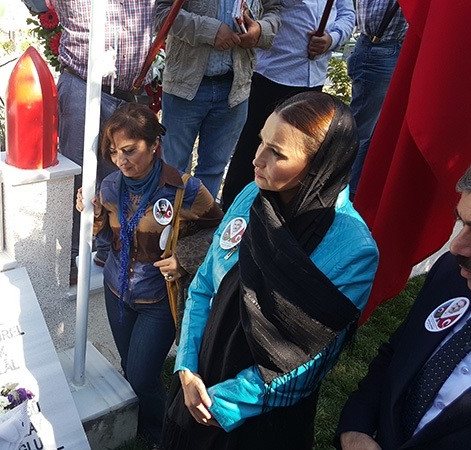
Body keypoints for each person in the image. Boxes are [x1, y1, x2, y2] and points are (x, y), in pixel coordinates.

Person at [162, 91, 378, 449]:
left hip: (261, 417)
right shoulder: (252, 196)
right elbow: (204, 286)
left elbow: (309, 360)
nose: (256, 159)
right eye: (262, 140)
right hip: (200, 380)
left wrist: (221, 403)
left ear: (320, 165)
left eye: (277, 153)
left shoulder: (353, 250)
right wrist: (187, 366)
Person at [76, 103, 223, 445]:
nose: (120, 160)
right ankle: (141, 422)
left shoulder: (184, 189)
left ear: (154, 144)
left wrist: (183, 258)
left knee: (142, 377)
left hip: (158, 300)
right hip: (116, 292)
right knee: (131, 367)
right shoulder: (110, 186)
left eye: (129, 151)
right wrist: (93, 214)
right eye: (114, 152)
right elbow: (104, 238)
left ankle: (165, 433)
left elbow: (222, 231)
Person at [335, 164, 471, 450]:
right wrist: (355, 430)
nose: (457, 247)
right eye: (463, 223)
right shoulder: (451, 274)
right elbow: (397, 355)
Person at [220, 0, 355, 211]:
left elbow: (347, 14)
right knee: (253, 152)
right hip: (272, 75)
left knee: (297, 156)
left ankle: (277, 217)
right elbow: (265, 9)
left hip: (313, 80)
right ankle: (232, 215)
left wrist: (332, 39)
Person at [56, 0, 156, 284]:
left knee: (121, 176)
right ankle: (69, 257)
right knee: (77, 175)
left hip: (128, 91)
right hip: (81, 82)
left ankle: (108, 250)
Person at [154, 0, 281, 198]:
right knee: (173, 168)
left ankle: (201, 216)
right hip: (184, 84)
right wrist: (210, 31)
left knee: (213, 170)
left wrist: (260, 30)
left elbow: (274, 10)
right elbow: (163, 13)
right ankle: (170, 217)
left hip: (235, 87)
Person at [347, 0, 408, 198]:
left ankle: (360, 192)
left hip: (398, 47)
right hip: (381, 48)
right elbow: (374, 17)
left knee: (383, 129)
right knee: (364, 131)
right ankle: (349, 194)